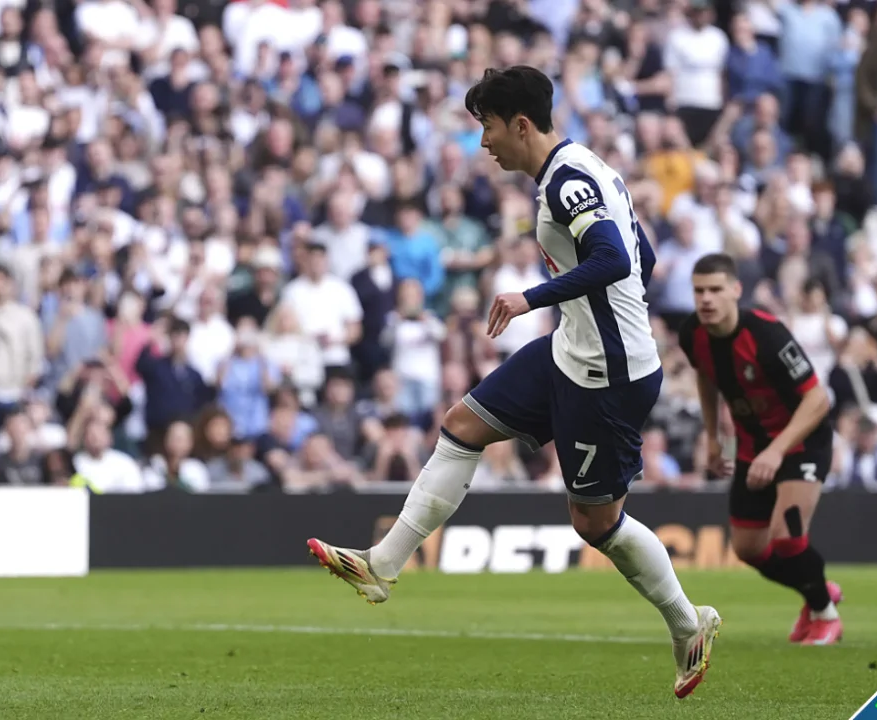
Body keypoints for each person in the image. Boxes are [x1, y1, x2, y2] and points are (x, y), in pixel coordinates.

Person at [305, 66, 721, 699]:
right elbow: (643, 254)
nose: (484, 143)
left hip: (607, 375)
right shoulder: (583, 166)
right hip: (571, 350)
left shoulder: (571, 181)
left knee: (595, 523)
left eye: (488, 127)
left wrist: (531, 298)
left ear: (520, 124)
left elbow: (613, 257)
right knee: (462, 424)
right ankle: (381, 564)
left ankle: (688, 623)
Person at [678, 253, 843, 646]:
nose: (707, 299)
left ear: (736, 291)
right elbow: (706, 377)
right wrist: (715, 437)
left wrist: (776, 452)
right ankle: (817, 589)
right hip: (752, 447)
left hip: (802, 441)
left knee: (787, 538)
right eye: (699, 291)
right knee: (749, 549)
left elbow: (818, 400)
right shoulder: (692, 334)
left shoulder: (767, 334)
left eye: (716, 290)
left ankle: (825, 615)